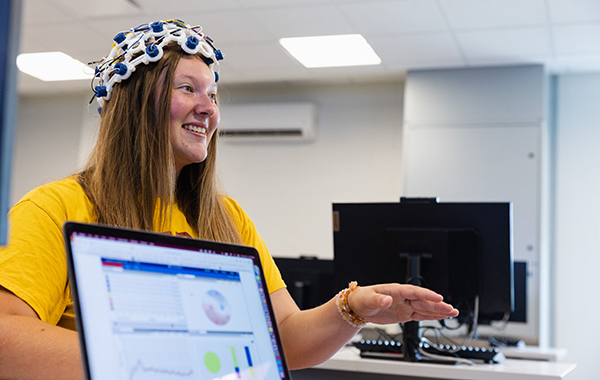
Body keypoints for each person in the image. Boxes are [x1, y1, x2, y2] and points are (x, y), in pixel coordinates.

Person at [0, 19, 458, 379]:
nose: (209, 108)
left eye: (213, 94)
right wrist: (159, 358)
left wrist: (353, 309)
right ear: (138, 102)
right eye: (188, 89)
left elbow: (284, 338)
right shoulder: (55, 207)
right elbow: (7, 339)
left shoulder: (225, 217)